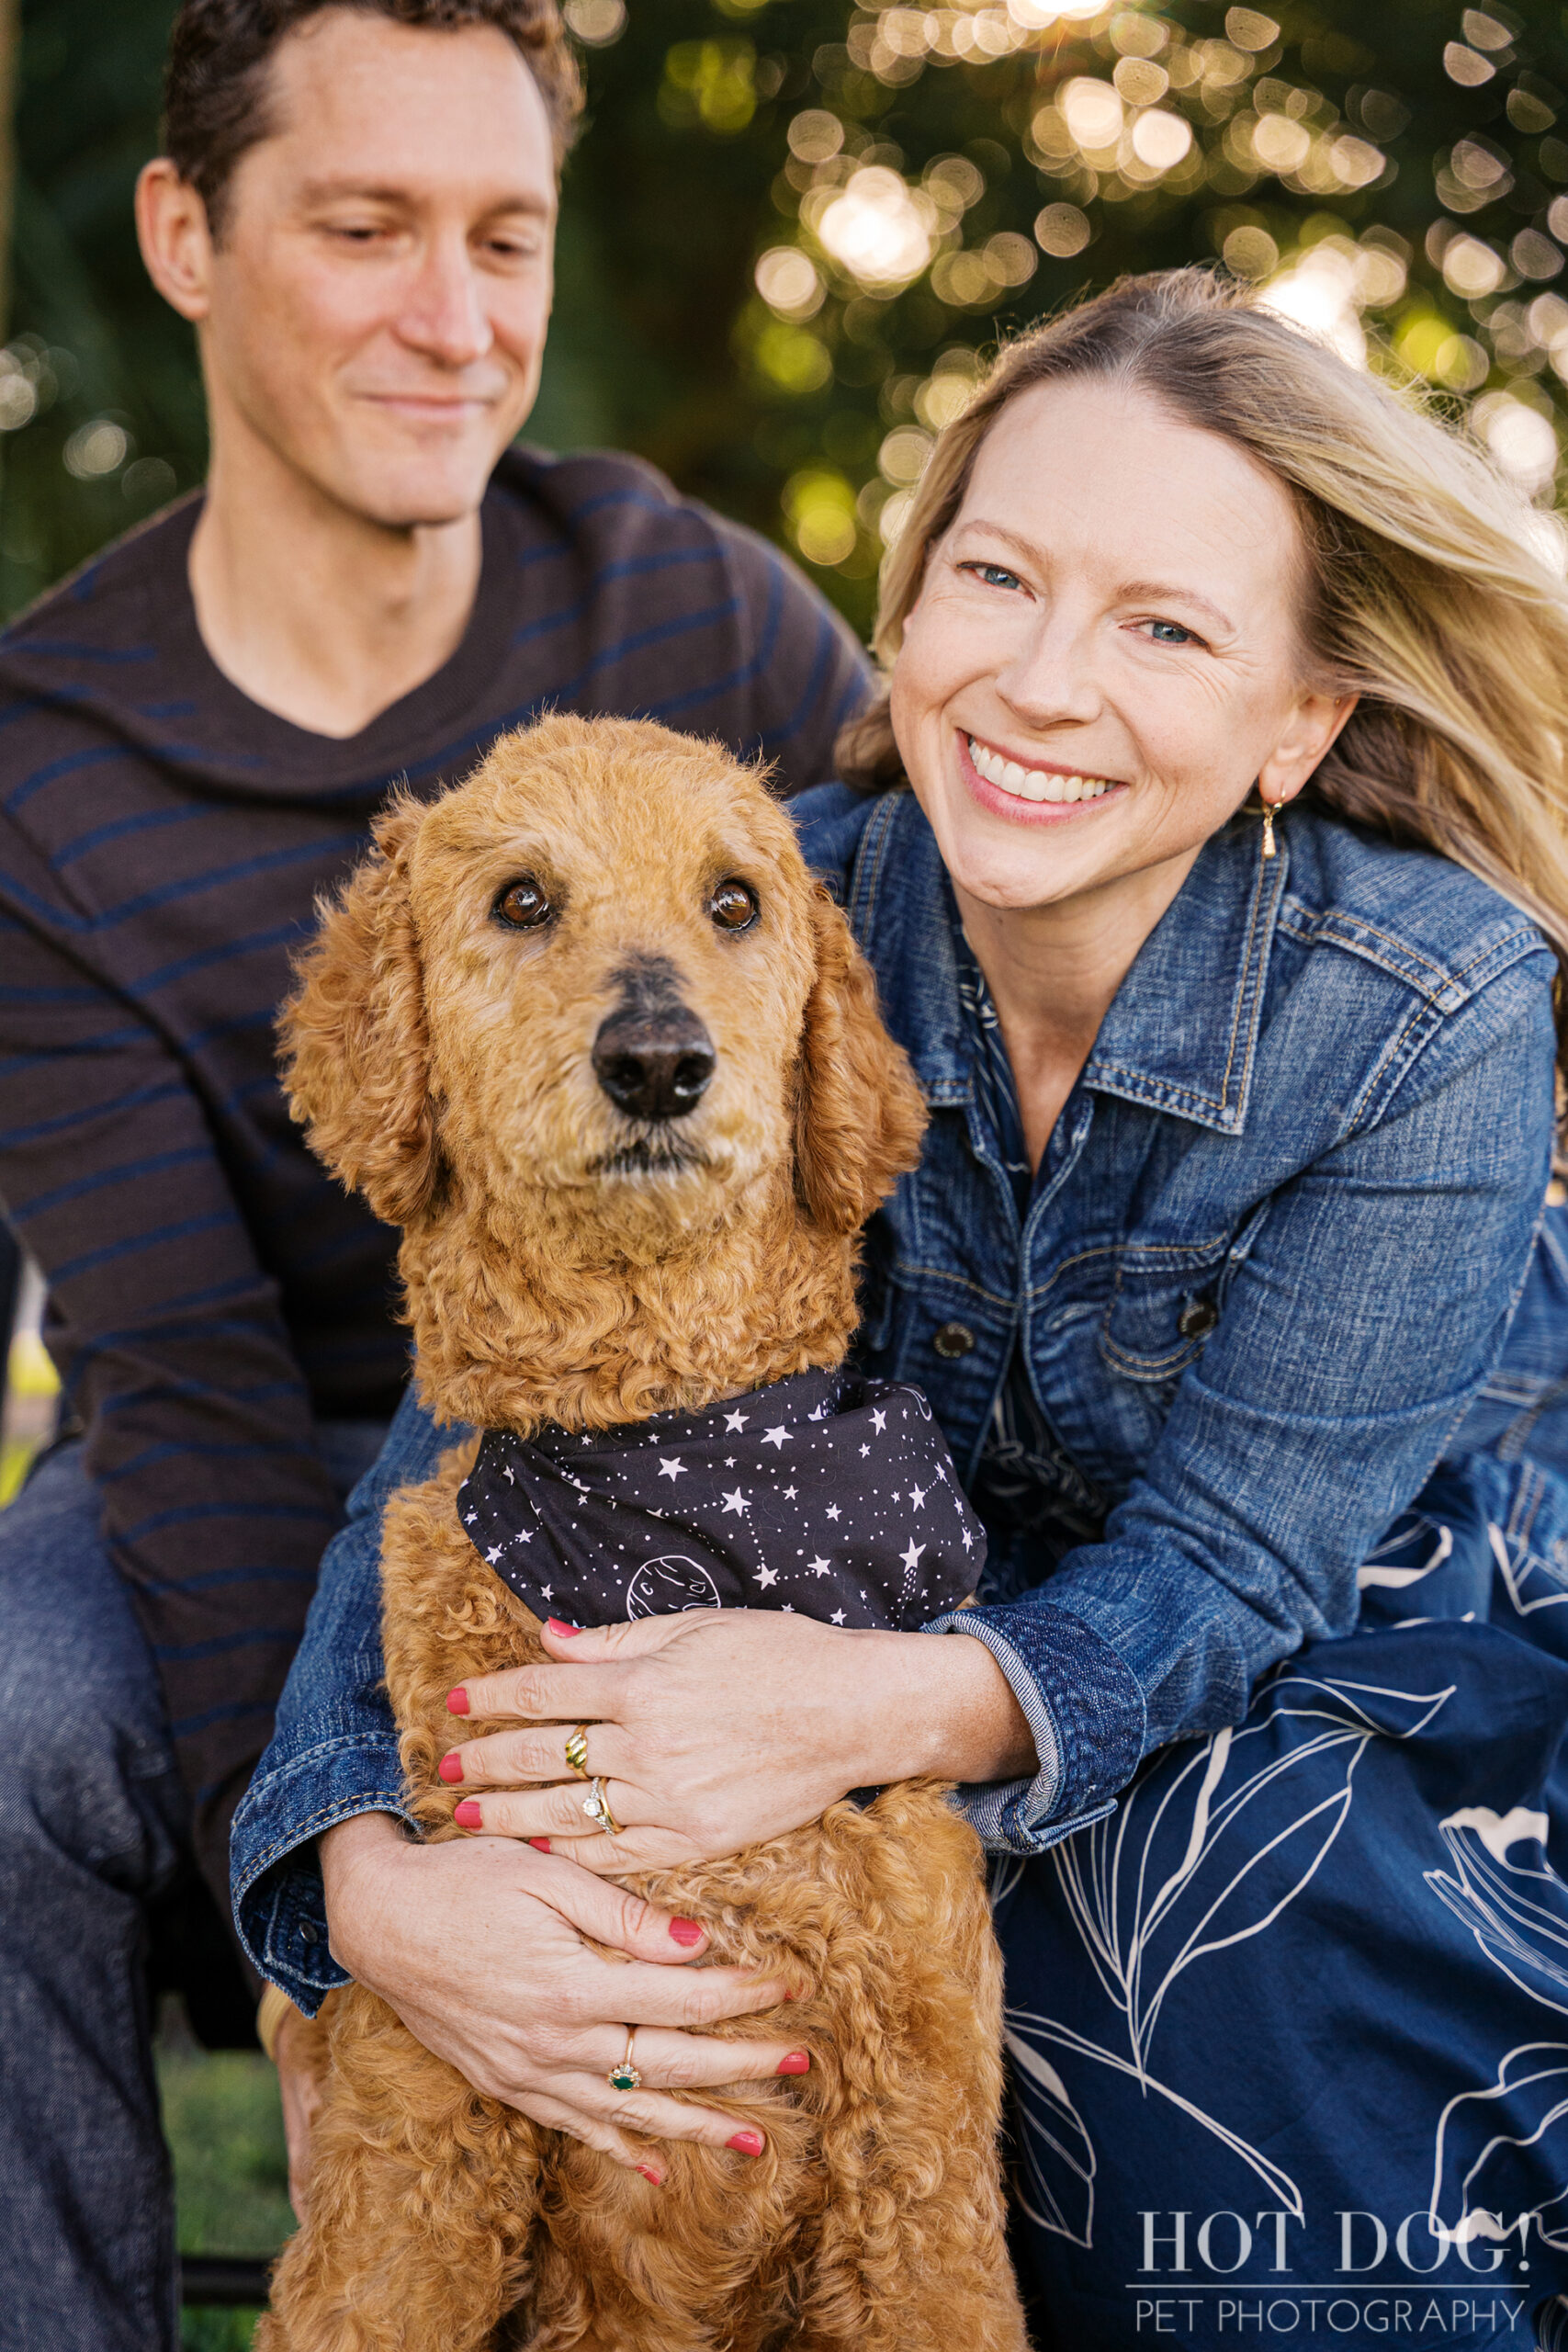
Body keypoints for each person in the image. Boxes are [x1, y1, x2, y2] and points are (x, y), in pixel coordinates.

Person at [238, 268, 1568, 2349]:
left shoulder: (1425, 1006)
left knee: (1180, 1984)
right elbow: (479, 1433)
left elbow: (1231, 1561)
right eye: (998, 577)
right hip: (900, 1594)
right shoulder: (768, 890)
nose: (1041, 683)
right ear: (906, 604)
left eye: (1162, 627)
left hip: (1335, 1590)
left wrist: (853, 1711)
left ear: (1293, 719)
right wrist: (357, 1882)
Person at [0, 1, 869, 2343]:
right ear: (186, 233)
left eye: (502, 236)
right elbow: (170, 1376)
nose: (454, 319)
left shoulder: (685, 605)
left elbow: (930, 1003)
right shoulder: (44, 765)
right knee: (0, 1710)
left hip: (697, 1430)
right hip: (259, 1445)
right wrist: (339, 1900)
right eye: (364, 228)